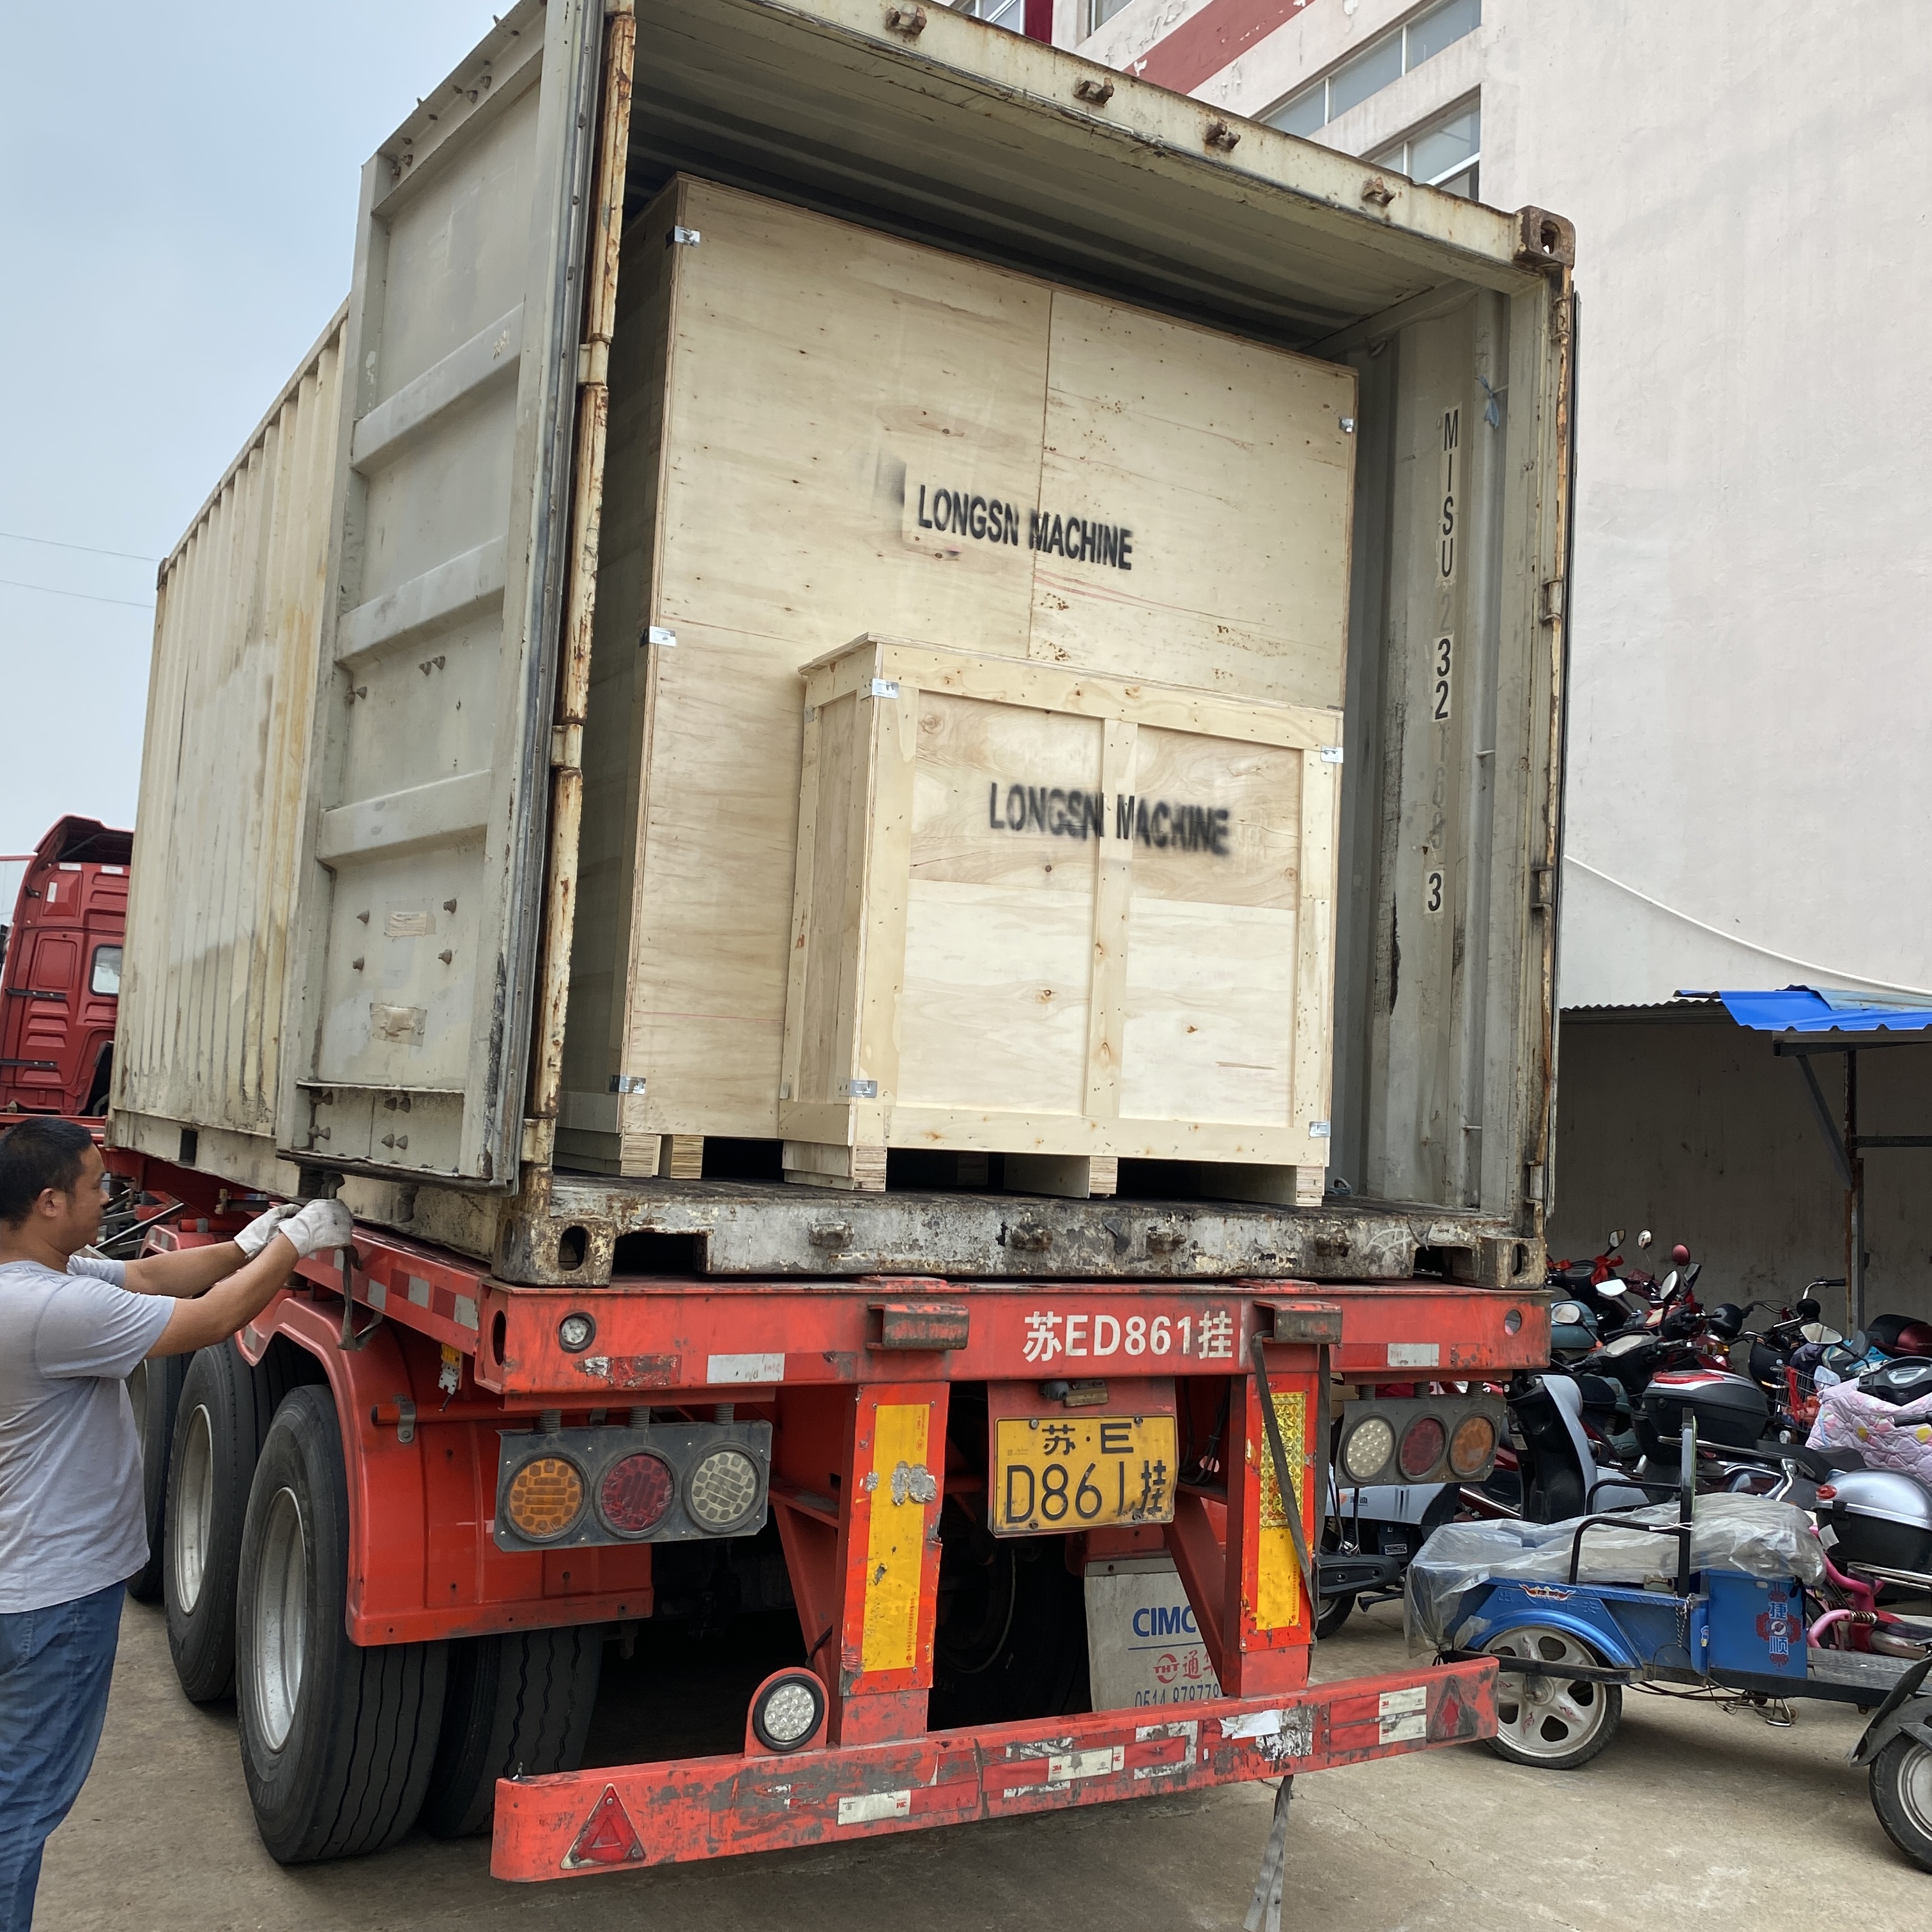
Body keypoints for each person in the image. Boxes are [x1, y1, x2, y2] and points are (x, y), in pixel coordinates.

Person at [0, 1118, 351, 1931]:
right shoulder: (52, 1312)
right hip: (53, 1603)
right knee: (22, 1806)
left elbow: (152, 1279)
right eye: (95, 1186)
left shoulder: (38, 1275)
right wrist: (295, 1248)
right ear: (50, 1202)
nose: (109, 1194)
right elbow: (213, 1322)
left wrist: (250, 1241)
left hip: (24, 1584)